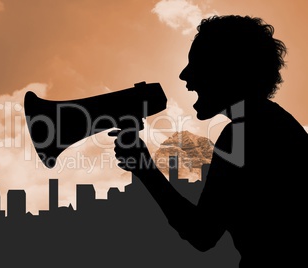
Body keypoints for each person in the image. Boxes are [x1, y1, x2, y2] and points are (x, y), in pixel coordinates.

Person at [110, 15, 308, 267]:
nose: (184, 75)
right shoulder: (274, 124)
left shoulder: (244, 133)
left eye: (197, 64)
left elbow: (201, 233)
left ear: (226, 71)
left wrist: (144, 169)